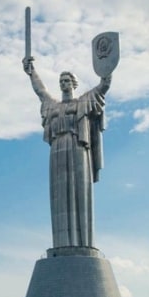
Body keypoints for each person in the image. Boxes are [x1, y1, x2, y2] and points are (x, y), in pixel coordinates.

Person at [23, 56, 111, 249]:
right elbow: (40, 91)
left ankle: (84, 244)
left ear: (74, 84)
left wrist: (107, 68)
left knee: (80, 192)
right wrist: (32, 72)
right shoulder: (52, 105)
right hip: (57, 151)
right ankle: (62, 244)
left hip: (78, 146)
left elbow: (103, 87)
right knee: (59, 197)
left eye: (67, 80)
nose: (63, 83)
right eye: (61, 81)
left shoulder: (83, 101)